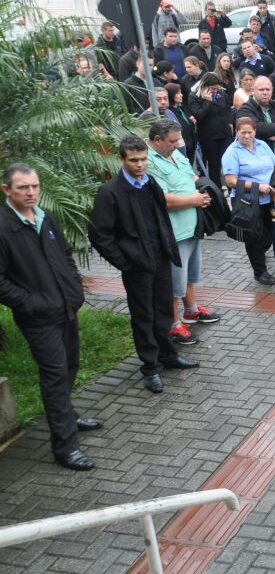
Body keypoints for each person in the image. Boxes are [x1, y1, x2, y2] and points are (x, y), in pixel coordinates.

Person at [0, 163, 99, 471]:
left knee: (70, 365)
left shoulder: (44, 216)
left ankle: (67, 414)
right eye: (23, 188)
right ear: (7, 190)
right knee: (55, 377)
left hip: (66, 306)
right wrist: (30, 303)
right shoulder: (3, 227)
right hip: (38, 317)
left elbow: (65, 255)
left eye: (35, 186)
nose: (31, 193)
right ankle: (65, 447)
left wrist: (74, 288)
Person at [89, 136, 199, 393]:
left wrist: (167, 248)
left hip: (159, 259)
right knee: (143, 316)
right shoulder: (110, 192)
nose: (140, 165)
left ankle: (167, 356)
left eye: (143, 160)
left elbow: (160, 217)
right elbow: (100, 235)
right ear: (121, 159)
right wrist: (125, 263)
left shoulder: (149, 182)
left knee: (163, 310)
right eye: (134, 160)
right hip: (137, 266)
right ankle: (150, 367)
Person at [145, 119, 218, 348]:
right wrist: (193, 200)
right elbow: (162, 199)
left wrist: (204, 193)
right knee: (174, 282)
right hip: (173, 231)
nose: (177, 145)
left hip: (192, 226)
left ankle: (191, 310)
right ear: (157, 140)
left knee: (189, 275)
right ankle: (173, 323)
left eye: (179, 139)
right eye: (172, 141)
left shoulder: (175, 154)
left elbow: (192, 178)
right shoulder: (148, 162)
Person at [221, 117, 275, 285]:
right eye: (242, 132)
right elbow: (231, 181)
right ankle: (260, 271)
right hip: (249, 202)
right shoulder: (232, 152)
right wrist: (257, 187)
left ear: (255, 131)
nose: (247, 136)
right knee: (255, 236)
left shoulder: (262, 145)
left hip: (272, 197)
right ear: (235, 132)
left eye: (250, 132)